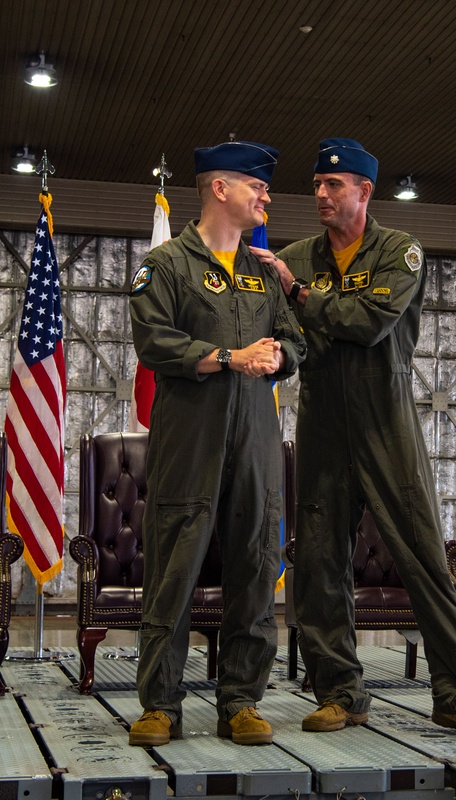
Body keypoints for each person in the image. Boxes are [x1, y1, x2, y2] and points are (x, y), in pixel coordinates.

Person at [251, 138, 456, 741]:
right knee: (317, 564)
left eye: (334, 185)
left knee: (423, 558)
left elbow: (368, 323)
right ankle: (340, 693)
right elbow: (286, 335)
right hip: (321, 425)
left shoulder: (399, 252)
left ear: (364, 192)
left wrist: (301, 294)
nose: (321, 194)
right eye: (316, 184)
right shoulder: (293, 256)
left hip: (387, 422)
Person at [127, 141, 306, 747]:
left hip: (257, 437)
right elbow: (153, 340)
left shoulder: (264, 271)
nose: (266, 197)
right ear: (221, 189)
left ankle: (241, 701)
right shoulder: (167, 265)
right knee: (175, 565)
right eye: (256, 187)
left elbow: (293, 339)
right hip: (190, 438)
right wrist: (229, 357)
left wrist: (280, 352)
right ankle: (160, 703)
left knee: (256, 563)